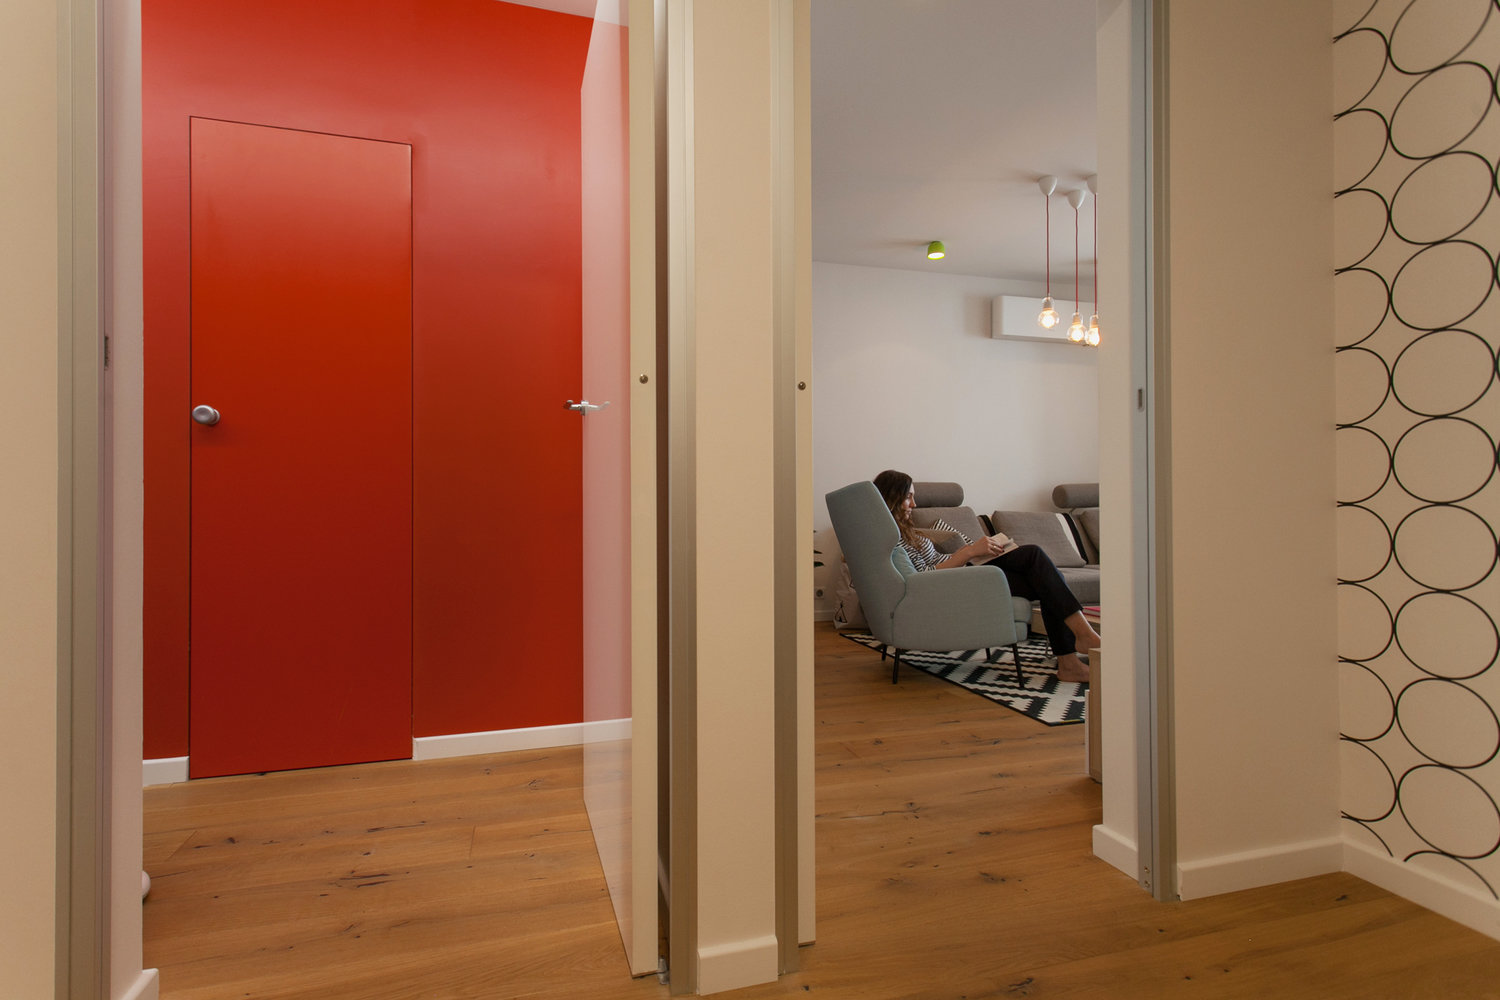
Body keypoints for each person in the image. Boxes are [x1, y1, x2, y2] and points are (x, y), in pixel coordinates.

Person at [873, 470, 1100, 683]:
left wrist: (977, 553)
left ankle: (1070, 662)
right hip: (955, 584)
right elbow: (922, 579)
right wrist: (969, 552)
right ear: (892, 497)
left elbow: (936, 562)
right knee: (1034, 556)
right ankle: (1080, 639)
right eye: (908, 497)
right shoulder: (892, 539)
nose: (914, 504)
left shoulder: (905, 532)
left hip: (963, 575)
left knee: (1046, 579)